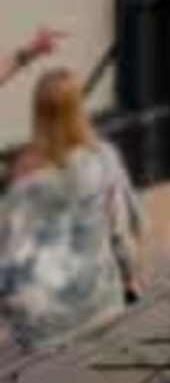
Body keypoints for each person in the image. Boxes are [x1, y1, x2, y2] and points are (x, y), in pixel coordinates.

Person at [0, 56, 139, 351]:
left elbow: (8, 254)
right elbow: (121, 231)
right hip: (99, 299)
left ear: (37, 112)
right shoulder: (103, 159)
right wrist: (129, 280)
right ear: (79, 108)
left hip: (43, 320)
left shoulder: (24, 175)